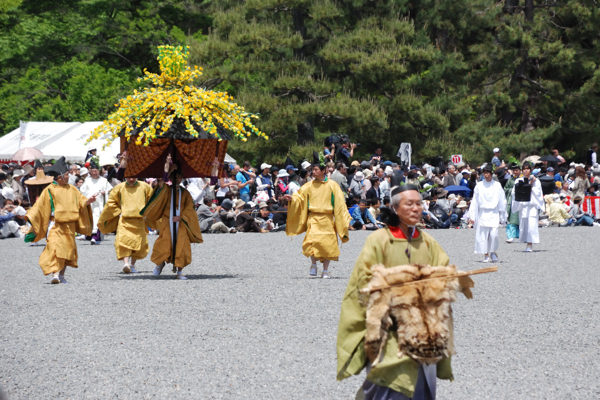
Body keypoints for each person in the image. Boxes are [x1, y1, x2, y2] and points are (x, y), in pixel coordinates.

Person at [337, 184, 473, 400]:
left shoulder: (427, 241)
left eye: (419, 203)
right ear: (394, 208)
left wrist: (450, 279)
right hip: (389, 328)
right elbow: (365, 279)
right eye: (409, 204)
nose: (416, 208)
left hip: (422, 331)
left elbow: (443, 269)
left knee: (420, 387)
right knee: (389, 380)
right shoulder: (379, 239)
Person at [24, 157, 96, 284]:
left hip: (70, 224)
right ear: (59, 177)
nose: (69, 176)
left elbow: (81, 201)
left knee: (67, 250)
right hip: (55, 224)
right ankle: (55, 274)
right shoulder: (49, 189)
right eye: (67, 174)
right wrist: (30, 216)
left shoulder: (72, 189)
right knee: (54, 247)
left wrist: (87, 201)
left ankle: (61, 275)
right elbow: (39, 206)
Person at [284, 158, 351, 279]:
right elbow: (300, 197)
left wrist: (343, 216)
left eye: (316, 170)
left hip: (327, 218)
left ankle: (325, 270)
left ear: (323, 170)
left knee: (328, 245)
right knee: (311, 241)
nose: (313, 172)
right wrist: (292, 199)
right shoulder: (308, 185)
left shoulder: (333, 185)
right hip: (313, 217)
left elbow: (340, 202)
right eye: (313, 170)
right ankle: (313, 264)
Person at [141, 161, 203, 280]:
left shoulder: (185, 193)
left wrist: (181, 217)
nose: (178, 179)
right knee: (163, 243)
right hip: (167, 221)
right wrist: (168, 171)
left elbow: (190, 208)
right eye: (175, 176)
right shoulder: (166, 190)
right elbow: (159, 188)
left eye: (180, 177)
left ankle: (179, 271)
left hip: (181, 223)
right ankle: (160, 263)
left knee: (182, 245)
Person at [97, 177, 154, 274]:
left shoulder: (144, 186)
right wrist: (118, 212)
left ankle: (132, 265)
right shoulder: (119, 187)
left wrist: (147, 213)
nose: (131, 179)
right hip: (124, 220)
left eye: (133, 177)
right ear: (125, 177)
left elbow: (152, 200)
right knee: (123, 242)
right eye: (129, 177)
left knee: (137, 244)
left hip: (139, 220)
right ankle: (126, 264)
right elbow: (111, 202)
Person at [469, 165, 507, 262]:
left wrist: (503, 215)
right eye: (484, 173)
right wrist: (472, 215)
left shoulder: (497, 185)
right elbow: (475, 201)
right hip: (483, 212)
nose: (486, 175)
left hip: (494, 212)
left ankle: (493, 252)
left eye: (487, 173)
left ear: (491, 173)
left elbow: (502, 200)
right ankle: (486, 254)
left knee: (494, 234)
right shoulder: (479, 185)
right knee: (483, 234)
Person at [511, 162, 544, 252]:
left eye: (527, 169)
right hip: (523, 206)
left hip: (532, 206)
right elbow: (514, 192)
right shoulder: (518, 180)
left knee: (532, 225)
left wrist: (531, 185)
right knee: (524, 225)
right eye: (524, 169)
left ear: (530, 170)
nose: (526, 170)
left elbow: (538, 193)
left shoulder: (536, 180)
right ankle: (526, 241)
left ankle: (530, 244)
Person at [80, 159, 112, 244]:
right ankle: (90, 236)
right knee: (91, 219)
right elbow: (82, 190)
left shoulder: (104, 181)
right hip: (90, 203)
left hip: (100, 203)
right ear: (90, 172)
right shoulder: (87, 180)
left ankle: (96, 237)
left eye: (96, 171)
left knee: (98, 219)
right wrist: (89, 197)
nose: (94, 173)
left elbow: (110, 189)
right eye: (93, 172)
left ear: (99, 171)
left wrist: (104, 193)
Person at [504, 163, 521, 243]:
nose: (515, 172)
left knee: (522, 219)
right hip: (512, 200)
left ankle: (522, 235)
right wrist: (512, 190)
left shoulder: (524, 179)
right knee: (512, 219)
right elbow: (506, 189)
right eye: (514, 170)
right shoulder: (510, 180)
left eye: (517, 170)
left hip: (521, 201)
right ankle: (511, 236)